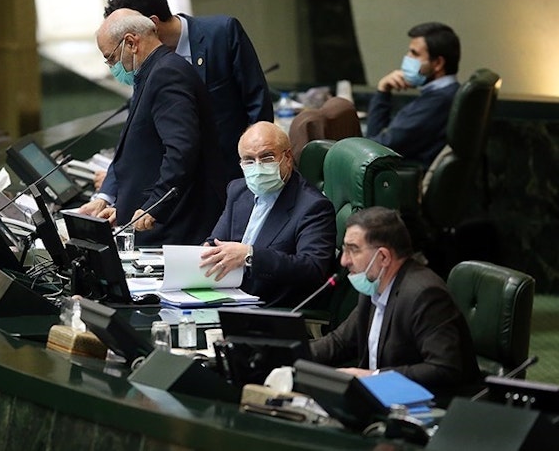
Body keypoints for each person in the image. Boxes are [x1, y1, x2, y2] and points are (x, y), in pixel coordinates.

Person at [78, 9, 226, 246]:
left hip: (176, 225)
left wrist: (154, 207)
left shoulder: (167, 73)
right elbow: (149, 152)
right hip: (158, 220)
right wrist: (124, 209)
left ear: (131, 43)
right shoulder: (152, 73)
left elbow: (181, 149)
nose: (111, 66)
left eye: (111, 58)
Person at [104, 0, 274, 181]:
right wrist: (107, 191)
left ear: (152, 24)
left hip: (235, 174)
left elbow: (258, 104)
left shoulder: (222, 33)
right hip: (184, 185)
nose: (130, 46)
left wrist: (255, 168)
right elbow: (136, 132)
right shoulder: (143, 61)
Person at [309, 206, 479, 395]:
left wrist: (373, 376)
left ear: (383, 257)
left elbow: (443, 369)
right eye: (344, 250)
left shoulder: (424, 295)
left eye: (353, 250)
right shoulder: (373, 285)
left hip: (433, 407)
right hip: (383, 400)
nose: (344, 261)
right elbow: (339, 343)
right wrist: (286, 356)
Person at [199, 121, 336, 308]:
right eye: (248, 159)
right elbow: (216, 240)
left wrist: (250, 256)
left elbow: (313, 268)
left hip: (268, 306)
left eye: (267, 157)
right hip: (225, 294)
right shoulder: (238, 190)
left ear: (287, 158)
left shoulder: (313, 206)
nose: (257, 166)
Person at [365, 22, 461, 170]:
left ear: (438, 63)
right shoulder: (449, 93)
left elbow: (375, 149)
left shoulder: (437, 102)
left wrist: (382, 91)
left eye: (414, 54)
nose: (407, 58)